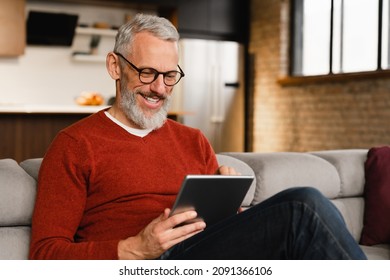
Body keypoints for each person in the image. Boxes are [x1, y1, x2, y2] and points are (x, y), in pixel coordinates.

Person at [29, 13, 366, 260]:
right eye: (147, 73)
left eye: (170, 75)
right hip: (149, 265)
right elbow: (44, 255)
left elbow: (221, 234)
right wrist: (134, 248)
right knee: (301, 206)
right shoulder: (74, 145)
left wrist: (230, 211)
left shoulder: (193, 140)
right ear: (115, 67)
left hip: (205, 256)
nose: (159, 88)